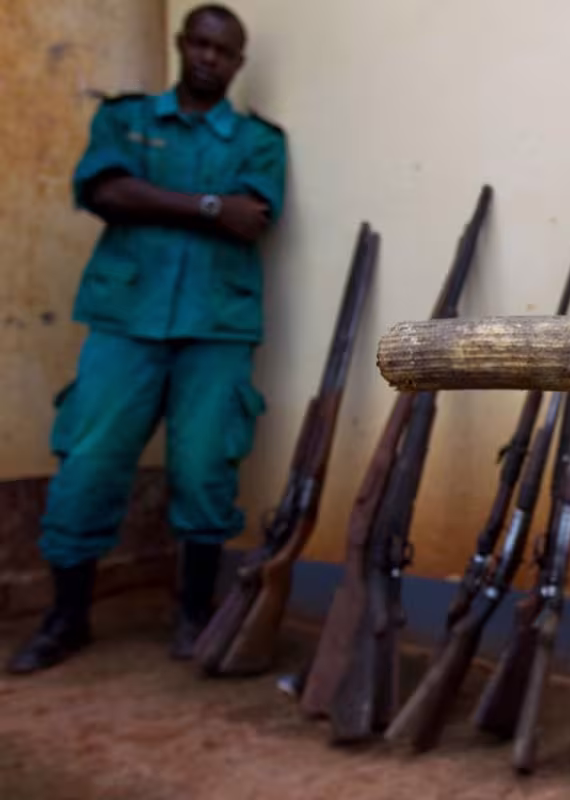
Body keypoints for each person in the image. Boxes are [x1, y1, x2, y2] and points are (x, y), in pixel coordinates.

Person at [7, 4, 286, 674]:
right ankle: (66, 618)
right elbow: (106, 193)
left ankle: (192, 615)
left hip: (215, 326)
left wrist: (154, 196)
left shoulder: (258, 141)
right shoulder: (125, 119)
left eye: (225, 51)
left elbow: (252, 218)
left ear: (239, 63)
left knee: (205, 467)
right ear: (182, 44)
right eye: (202, 44)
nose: (210, 58)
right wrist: (210, 206)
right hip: (125, 319)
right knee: (89, 462)